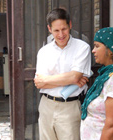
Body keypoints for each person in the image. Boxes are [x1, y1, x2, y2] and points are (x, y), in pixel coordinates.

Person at [34, 8, 91, 140]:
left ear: (70, 25)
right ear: (49, 29)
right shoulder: (43, 51)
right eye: (56, 30)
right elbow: (39, 83)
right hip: (46, 105)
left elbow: (75, 76)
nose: (61, 34)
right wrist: (71, 78)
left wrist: (72, 78)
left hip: (70, 107)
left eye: (64, 29)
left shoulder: (82, 47)